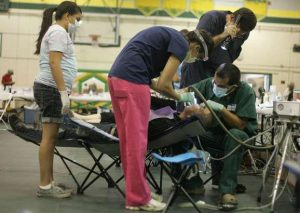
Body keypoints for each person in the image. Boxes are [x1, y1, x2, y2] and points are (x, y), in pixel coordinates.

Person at [108, 26, 214, 211]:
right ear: (195, 47)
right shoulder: (181, 42)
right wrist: (180, 97)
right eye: (197, 56)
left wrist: (176, 93)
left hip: (117, 79)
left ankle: (138, 193)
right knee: (137, 144)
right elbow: (165, 84)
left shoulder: (166, 37)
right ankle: (138, 198)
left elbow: (155, 83)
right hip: (133, 84)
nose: (192, 59)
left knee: (128, 143)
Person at [180, 63, 257, 210]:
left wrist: (221, 109)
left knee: (235, 135)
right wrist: (171, 93)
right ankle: (192, 182)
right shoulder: (208, 84)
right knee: (186, 131)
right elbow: (187, 90)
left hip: (238, 138)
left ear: (234, 86)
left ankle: (227, 191)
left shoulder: (245, 92)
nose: (215, 86)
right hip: (214, 135)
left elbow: (241, 125)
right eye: (215, 82)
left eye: (221, 86)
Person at [33, 1, 82, 198]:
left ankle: (49, 182)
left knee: (51, 139)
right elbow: (55, 63)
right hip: (51, 89)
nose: (77, 23)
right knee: (48, 138)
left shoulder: (59, 33)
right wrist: (63, 93)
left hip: (50, 88)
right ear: (68, 15)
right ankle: (44, 186)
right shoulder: (59, 32)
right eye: (77, 19)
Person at [180, 7, 257, 88]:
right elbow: (199, 47)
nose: (237, 34)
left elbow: (232, 53)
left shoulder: (243, 33)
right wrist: (223, 34)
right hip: (197, 69)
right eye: (237, 30)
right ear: (232, 18)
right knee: (191, 96)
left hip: (217, 74)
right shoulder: (211, 18)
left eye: (241, 33)